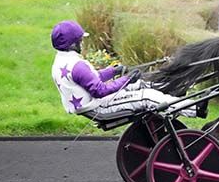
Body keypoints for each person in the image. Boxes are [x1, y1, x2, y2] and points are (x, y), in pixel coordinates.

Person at [50, 20, 195, 118]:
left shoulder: (62, 61)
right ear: (73, 45)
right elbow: (99, 91)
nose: (82, 43)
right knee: (146, 96)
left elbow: (90, 79)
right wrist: (126, 79)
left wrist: (114, 71)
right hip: (98, 107)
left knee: (139, 84)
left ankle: (171, 88)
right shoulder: (77, 65)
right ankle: (194, 108)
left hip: (91, 104)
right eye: (80, 41)